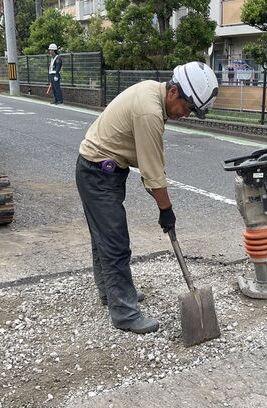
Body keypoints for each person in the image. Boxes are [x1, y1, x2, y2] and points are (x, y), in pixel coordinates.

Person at [76, 62, 218, 334]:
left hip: (100, 169)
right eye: (187, 108)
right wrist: (166, 210)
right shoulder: (150, 112)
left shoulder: (154, 94)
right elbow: (153, 173)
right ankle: (124, 313)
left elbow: (150, 167)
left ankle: (111, 293)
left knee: (103, 238)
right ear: (174, 92)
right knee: (115, 243)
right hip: (97, 172)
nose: (186, 115)